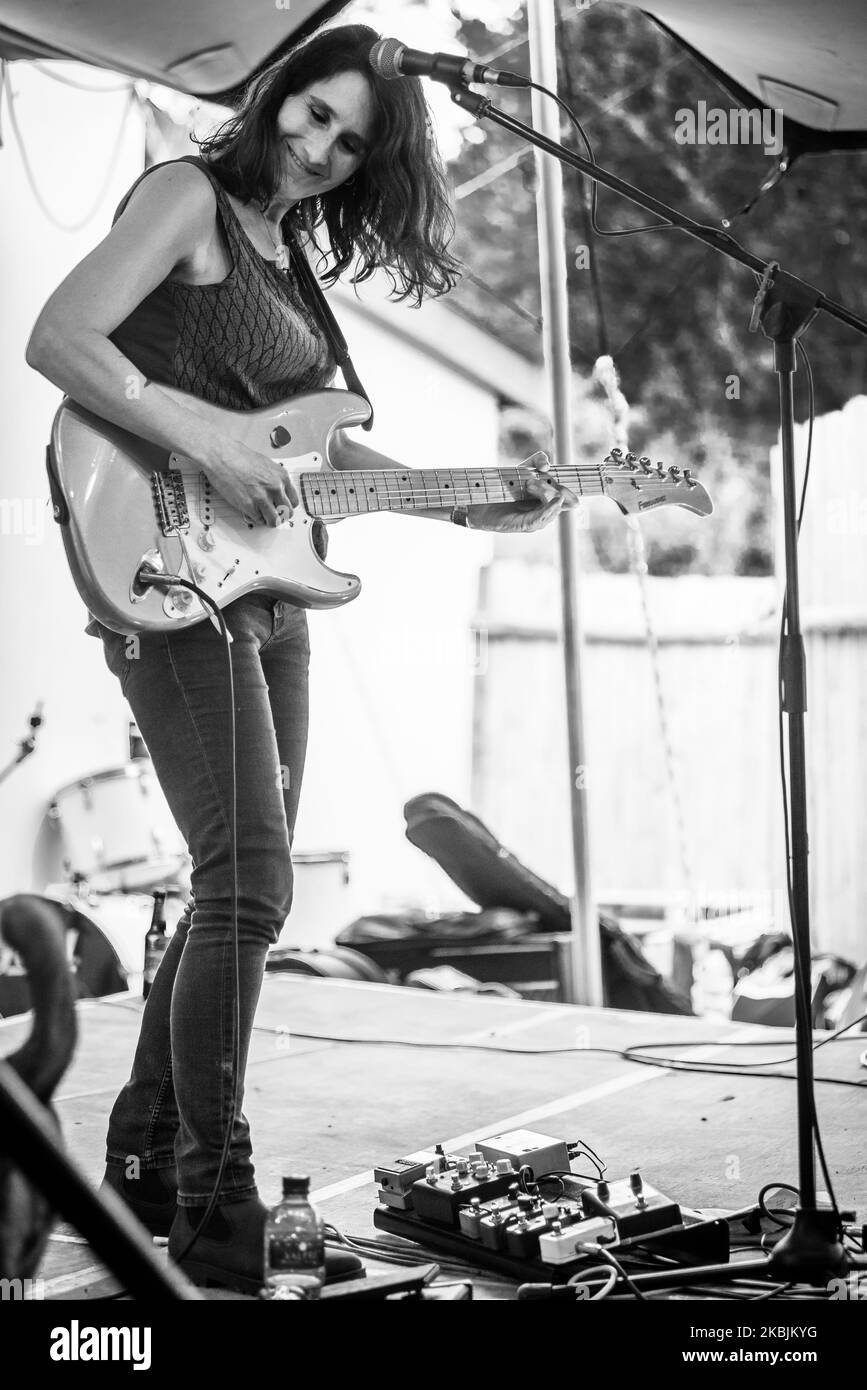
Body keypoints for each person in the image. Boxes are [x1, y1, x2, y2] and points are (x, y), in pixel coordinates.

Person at [25, 22, 573, 1294]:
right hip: (167, 576)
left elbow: (323, 461)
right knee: (254, 889)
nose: (318, 147)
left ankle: (149, 1164)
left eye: (348, 140)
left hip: (273, 597)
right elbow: (60, 339)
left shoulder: (291, 266)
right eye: (311, 114)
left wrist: (489, 495)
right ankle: (220, 1215)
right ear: (277, 93)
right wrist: (208, 442)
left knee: (232, 889)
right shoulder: (187, 198)